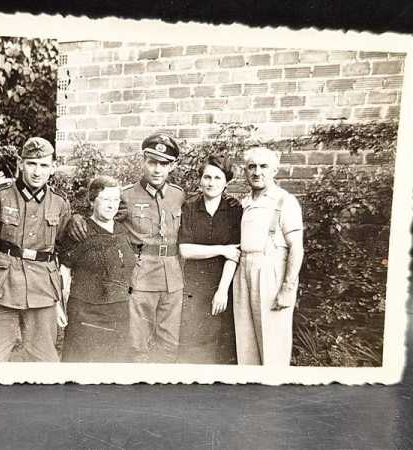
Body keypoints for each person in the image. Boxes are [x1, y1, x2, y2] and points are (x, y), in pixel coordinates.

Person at [67, 133, 185, 362]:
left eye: (164, 164)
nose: (157, 169)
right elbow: (101, 214)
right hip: (140, 278)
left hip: (172, 278)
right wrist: (76, 218)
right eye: (152, 162)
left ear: (172, 166)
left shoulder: (179, 195)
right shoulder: (127, 196)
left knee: (169, 344)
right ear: (143, 161)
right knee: (136, 345)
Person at [0, 137, 70, 362]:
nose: (37, 171)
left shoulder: (59, 204)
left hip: (42, 288)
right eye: (31, 163)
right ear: (20, 164)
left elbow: (61, 247)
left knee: (44, 359)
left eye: (43, 165)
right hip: (0, 287)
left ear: (52, 168)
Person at [233, 146, 304, 365]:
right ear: (245, 171)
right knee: (245, 344)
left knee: (272, 344)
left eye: (263, 166)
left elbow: (296, 247)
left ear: (274, 170)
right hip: (243, 270)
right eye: (251, 167)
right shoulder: (244, 204)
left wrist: (287, 289)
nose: (257, 172)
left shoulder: (285, 201)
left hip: (271, 272)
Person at [58, 176, 136, 362]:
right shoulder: (79, 230)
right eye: (106, 200)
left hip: (118, 312)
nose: (112, 205)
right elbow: (64, 271)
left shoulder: (122, 230)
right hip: (86, 313)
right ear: (92, 201)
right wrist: (59, 305)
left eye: (115, 200)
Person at [177, 155, 242, 364]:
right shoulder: (190, 207)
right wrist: (221, 250)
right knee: (193, 343)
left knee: (222, 345)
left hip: (224, 283)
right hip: (194, 286)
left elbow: (235, 253)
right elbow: (185, 250)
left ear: (226, 182)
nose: (211, 183)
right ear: (200, 179)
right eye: (207, 177)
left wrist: (222, 291)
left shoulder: (234, 209)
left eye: (217, 178)